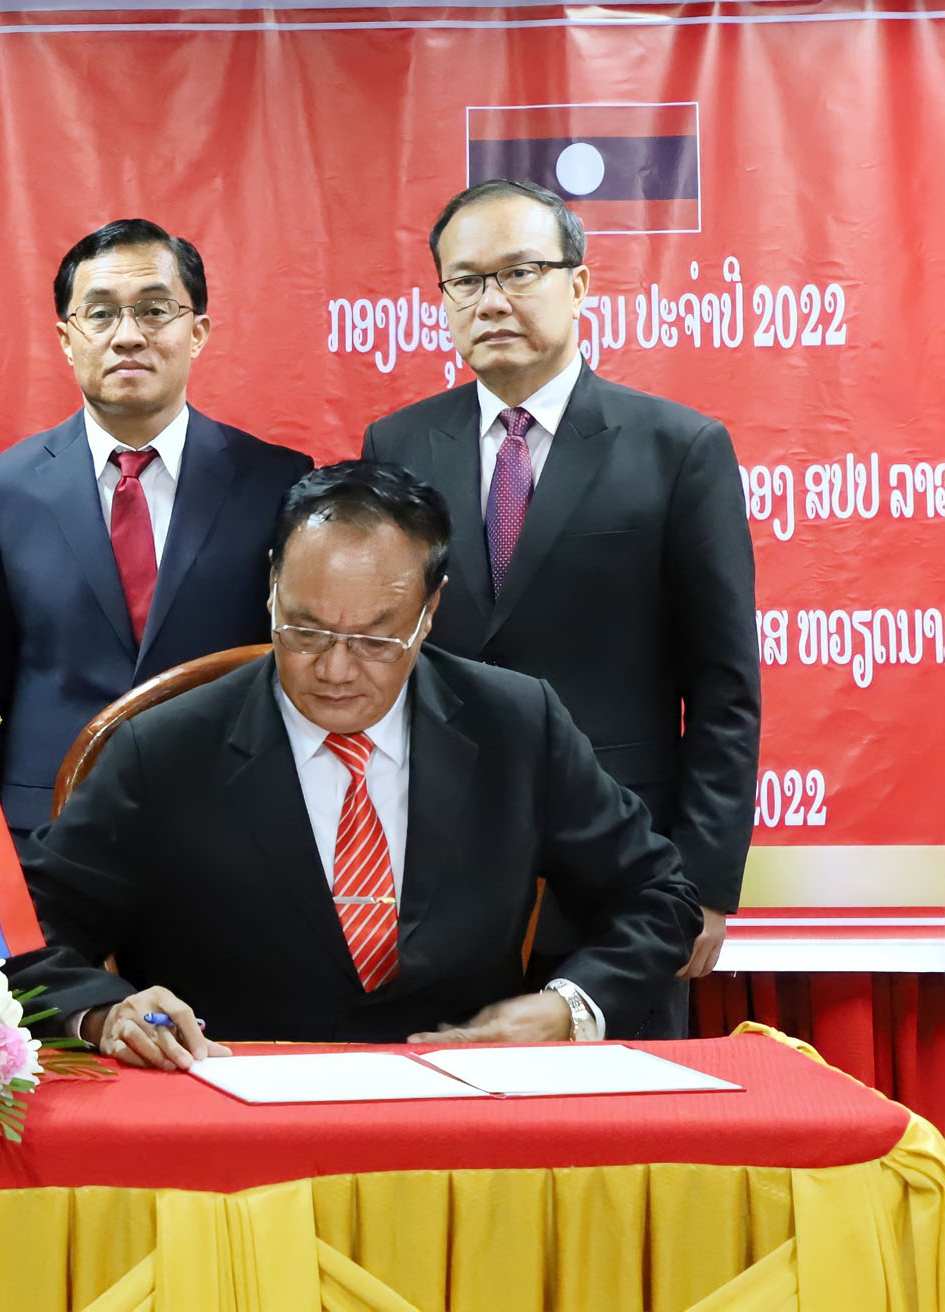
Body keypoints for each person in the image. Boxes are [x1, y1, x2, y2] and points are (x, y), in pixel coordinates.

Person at [10, 463, 701, 1069]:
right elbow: (19, 933)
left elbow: (657, 897)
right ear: (272, 587)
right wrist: (106, 1014)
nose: (335, 670)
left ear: (429, 612)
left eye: (375, 640)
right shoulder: (162, 751)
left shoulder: (516, 726)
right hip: (237, 1128)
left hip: (457, 1125)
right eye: (305, 630)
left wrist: (564, 1009)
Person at [361, 180, 758, 1034]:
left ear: (578, 283)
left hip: (620, 872)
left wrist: (702, 885)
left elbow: (724, 689)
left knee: (616, 1140)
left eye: (519, 272)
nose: (491, 301)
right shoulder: (396, 446)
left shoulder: (678, 449)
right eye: (465, 281)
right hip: (438, 874)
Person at [0, 219, 312, 839]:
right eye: (100, 314)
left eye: (153, 310)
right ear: (66, 338)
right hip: (49, 828)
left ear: (197, 332)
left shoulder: (275, 481)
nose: (128, 336)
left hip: (228, 822)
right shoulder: (0, 490)